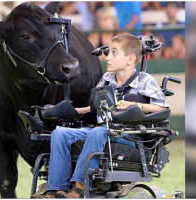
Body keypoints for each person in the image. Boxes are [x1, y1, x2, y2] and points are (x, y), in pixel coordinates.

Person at [30, 34, 169, 199]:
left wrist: (137, 106)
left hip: (129, 137)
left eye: (114, 53)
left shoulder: (144, 80)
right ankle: (54, 190)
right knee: (60, 133)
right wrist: (67, 110)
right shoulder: (107, 79)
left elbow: (163, 108)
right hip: (104, 132)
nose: (107, 57)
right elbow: (94, 107)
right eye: (108, 52)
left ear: (130, 59)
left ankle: (79, 187)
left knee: (98, 132)